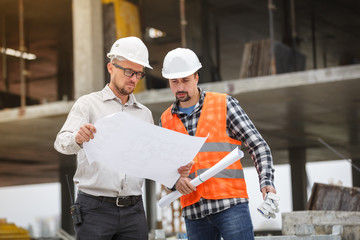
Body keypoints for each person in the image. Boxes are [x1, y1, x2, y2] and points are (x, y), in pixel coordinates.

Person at [159, 48, 279, 240]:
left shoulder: (224, 104)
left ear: (196, 77)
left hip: (230, 206)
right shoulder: (166, 120)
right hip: (194, 212)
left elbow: (258, 145)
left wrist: (267, 182)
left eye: (185, 80)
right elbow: (163, 166)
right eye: (174, 82)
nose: (180, 87)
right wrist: (175, 182)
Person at [54, 36, 154, 240]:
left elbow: (150, 159)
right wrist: (78, 138)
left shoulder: (144, 114)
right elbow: (61, 142)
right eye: (128, 71)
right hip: (94, 209)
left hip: (134, 210)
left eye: (138, 74)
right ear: (110, 68)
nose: (133, 78)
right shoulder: (87, 105)